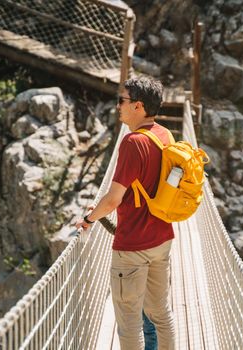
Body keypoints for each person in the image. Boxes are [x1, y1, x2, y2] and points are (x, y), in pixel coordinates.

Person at [76, 76, 175, 350]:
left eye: (123, 100)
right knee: (161, 315)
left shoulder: (133, 143)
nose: (118, 106)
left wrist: (89, 219)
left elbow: (113, 199)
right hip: (162, 239)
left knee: (129, 324)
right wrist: (100, 214)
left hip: (132, 248)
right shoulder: (165, 135)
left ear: (139, 106)